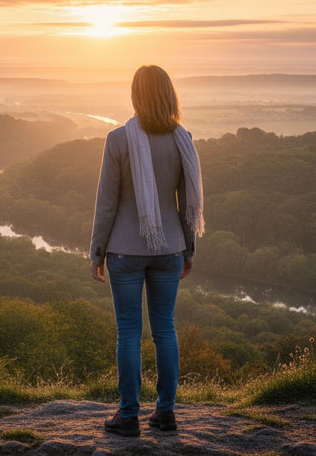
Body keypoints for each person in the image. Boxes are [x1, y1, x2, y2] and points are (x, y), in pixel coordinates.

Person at [89, 65, 205, 437]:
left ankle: (128, 416)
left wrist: (96, 252)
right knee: (165, 330)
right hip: (170, 248)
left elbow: (106, 202)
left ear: (136, 96)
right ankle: (166, 413)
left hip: (124, 251)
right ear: (170, 94)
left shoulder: (118, 139)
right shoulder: (182, 139)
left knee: (128, 332)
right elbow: (189, 203)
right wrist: (189, 249)